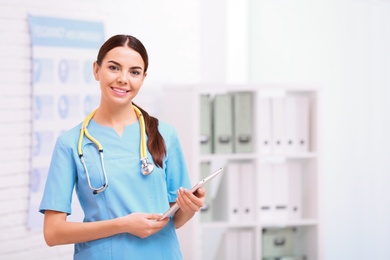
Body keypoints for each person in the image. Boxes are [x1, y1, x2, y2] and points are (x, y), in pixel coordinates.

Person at [39, 34, 205, 260]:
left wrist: (190, 207)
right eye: (114, 68)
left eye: (134, 72)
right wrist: (122, 225)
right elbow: (53, 233)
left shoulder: (165, 134)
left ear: (143, 78)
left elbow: (174, 220)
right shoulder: (70, 144)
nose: (123, 79)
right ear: (96, 70)